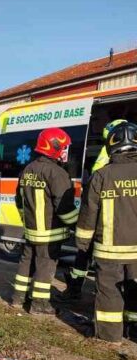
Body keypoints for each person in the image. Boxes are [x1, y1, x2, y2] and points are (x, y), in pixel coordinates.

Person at [75, 121, 137, 343]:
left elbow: (88, 213)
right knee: (134, 290)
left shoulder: (101, 175)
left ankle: (109, 337)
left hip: (109, 251)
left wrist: (82, 244)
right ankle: (133, 328)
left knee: (109, 293)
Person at [12, 127, 78, 314]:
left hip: (31, 230)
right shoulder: (57, 173)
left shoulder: (28, 169)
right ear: (54, 147)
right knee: (45, 266)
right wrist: (77, 225)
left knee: (26, 263)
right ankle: (39, 305)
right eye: (63, 147)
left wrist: (27, 221)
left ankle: (18, 298)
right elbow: (64, 208)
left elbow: (19, 200)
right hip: (49, 233)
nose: (65, 151)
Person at [61, 119, 128, 301]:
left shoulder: (106, 156)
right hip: (122, 218)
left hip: (104, 216)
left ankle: (75, 288)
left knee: (85, 255)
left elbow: (94, 183)